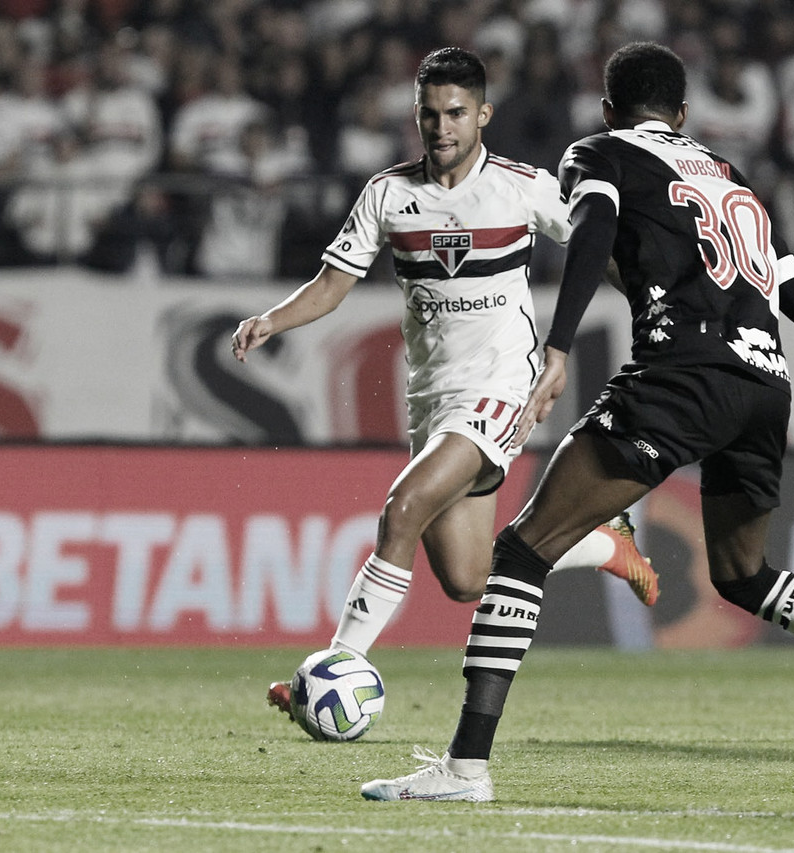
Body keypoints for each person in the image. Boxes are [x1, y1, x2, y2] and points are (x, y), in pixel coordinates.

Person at [361, 42, 794, 803]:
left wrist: (557, 345)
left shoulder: (600, 151)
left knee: (522, 552)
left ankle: (465, 768)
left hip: (680, 374)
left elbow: (591, 231)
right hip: (765, 386)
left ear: (608, 110)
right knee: (744, 574)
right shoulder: (733, 182)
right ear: (685, 116)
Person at [230, 47, 659, 716]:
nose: (442, 127)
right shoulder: (389, 193)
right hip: (431, 399)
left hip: (500, 386)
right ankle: (607, 542)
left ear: (482, 114)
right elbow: (333, 284)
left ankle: (334, 668)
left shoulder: (521, 186)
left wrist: (654, 299)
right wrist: (271, 319)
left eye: (456, 113)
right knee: (465, 578)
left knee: (402, 508)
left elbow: (595, 240)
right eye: (429, 114)